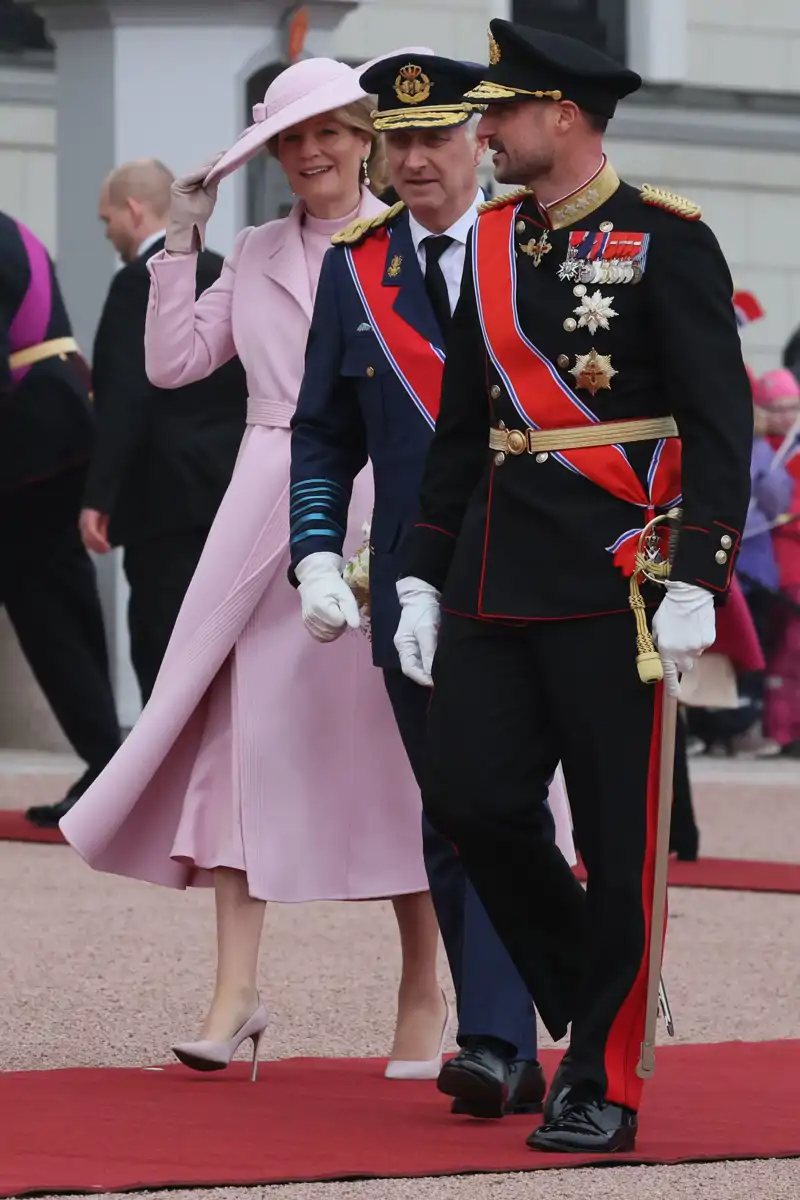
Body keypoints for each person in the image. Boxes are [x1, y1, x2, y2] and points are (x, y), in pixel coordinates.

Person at [394, 22, 753, 1152]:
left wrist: (698, 570)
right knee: (466, 799)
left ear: (565, 115)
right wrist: (415, 574)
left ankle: (603, 1077)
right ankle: (600, 994)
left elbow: (717, 423)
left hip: (621, 580)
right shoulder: (492, 245)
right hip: (495, 574)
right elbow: (459, 428)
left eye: (498, 113)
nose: (480, 131)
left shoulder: (666, 241)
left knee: (614, 831)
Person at [60, 54, 451, 1079]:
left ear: (366, 137)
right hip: (264, 502)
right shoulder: (254, 247)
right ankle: (235, 994)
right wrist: (178, 242)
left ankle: (425, 985)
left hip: (382, 497)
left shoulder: (413, 245)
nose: (309, 153)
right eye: (290, 139)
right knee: (245, 745)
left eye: (326, 132)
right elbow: (173, 363)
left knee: (397, 745)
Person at [289, 52, 576, 1119]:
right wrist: (317, 551)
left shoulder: (541, 251)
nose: (413, 158)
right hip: (418, 583)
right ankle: (503, 1038)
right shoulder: (357, 268)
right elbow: (322, 433)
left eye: (435, 136)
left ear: (479, 142)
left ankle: (557, 1017)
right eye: (395, 138)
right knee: (457, 812)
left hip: (549, 576)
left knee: (516, 807)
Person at [80, 158, 248, 706]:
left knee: (160, 642)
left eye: (108, 220)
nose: (108, 234)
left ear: (133, 210)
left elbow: (125, 396)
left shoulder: (136, 281)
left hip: (163, 501)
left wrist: (99, 496)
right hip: (232, 494)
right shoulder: (227, 271)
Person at [0, 209, 121, 829]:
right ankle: (106, 758)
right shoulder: (11, 228)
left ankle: (107, 759)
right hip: (62, 422)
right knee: (65, 606)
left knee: (48, 614)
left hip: (29, 440)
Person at [755, 369, 800, 756]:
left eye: (792, 407)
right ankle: (781, 729)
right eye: (777, 408)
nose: (786, 416)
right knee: (786, 651)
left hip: (783, 562)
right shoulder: (757, 449)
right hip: (776, 566)